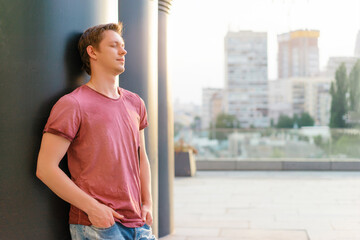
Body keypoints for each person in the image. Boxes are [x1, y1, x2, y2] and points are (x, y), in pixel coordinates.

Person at [36, 22, 156, 240]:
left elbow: (141, 158)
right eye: (114, 45)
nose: (123, 51)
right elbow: (45, 168)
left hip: (140, 225)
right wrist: (93, 208)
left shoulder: (135, 102)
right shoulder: (73, 104)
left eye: (123, 45)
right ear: (92, 52)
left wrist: (148, 203)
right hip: (98, 227)